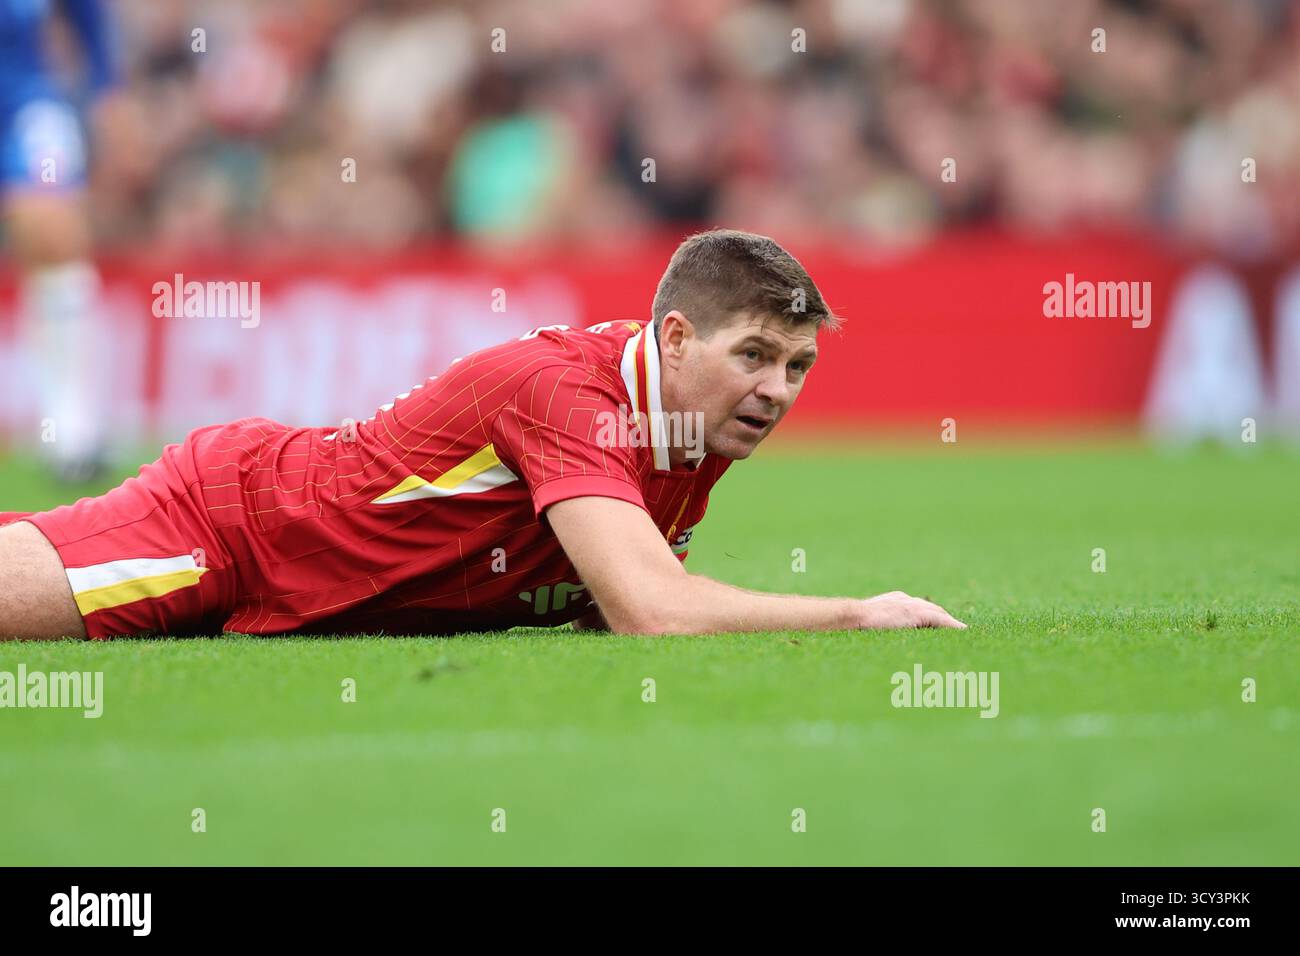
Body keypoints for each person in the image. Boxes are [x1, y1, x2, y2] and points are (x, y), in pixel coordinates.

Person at [0, 229, 966, 640]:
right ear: (674, 337)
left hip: (302, 585)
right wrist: (855, 613)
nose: (775, 389)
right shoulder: (566, 395)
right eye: (755, 354)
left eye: (797, 367)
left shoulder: (692, 424)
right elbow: (652, 610)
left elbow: (595, 598)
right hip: (232, 529)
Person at [2, 0, 121, 481]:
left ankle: (72, 431)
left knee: (51, 230)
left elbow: (88, 17)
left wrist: (109, 92)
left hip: (25, 105)